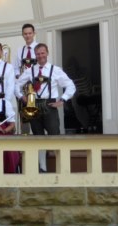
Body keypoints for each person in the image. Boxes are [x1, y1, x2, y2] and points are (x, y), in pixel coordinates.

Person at [16, 43, 75, 171]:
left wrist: (62, 100)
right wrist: (22, 97)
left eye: (42, 53)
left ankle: (61, 167)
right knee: (38, 137)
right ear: (35, 55)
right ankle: (42, 168)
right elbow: (17, 85)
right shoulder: (30, 70)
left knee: (54, 135)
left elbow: (71, 85)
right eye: (38, 54)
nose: (40, 55)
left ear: (47, 53)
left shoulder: (55, 70)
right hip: (34, 105)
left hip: (50, 104)